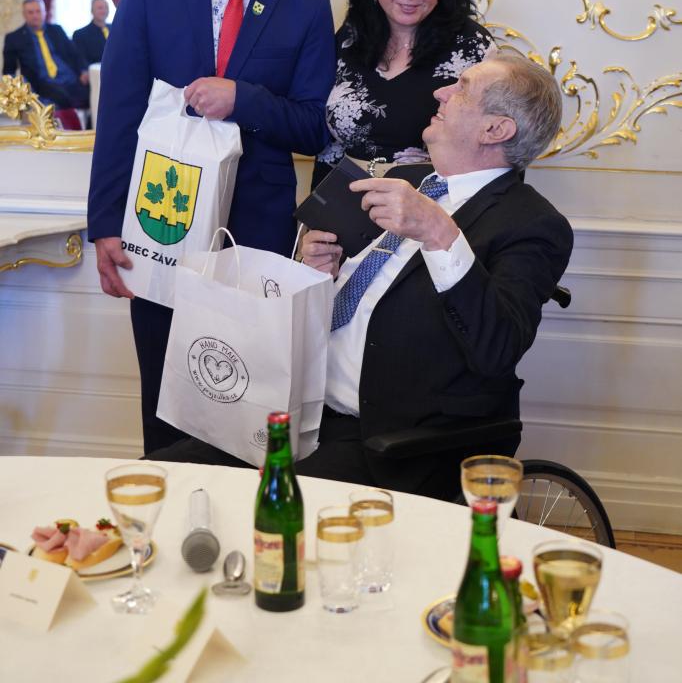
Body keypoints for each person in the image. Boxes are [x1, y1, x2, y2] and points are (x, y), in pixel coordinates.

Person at [151, 54, 573, 502]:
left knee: (250, 507)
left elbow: (497, 347)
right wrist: (319, 275)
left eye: (463, 88)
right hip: (293, 411)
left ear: (496, 129)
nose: (440, 92)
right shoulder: (409, 179)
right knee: (158, 480)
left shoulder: (531, 223)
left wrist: (438, 233)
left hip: (389, 441)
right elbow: (366, 298)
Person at [88, 0, 336, 453]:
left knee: (243, 413)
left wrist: (243, 99)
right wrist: (105, 225)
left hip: (255, 239)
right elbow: (118, 113)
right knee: (164, 407)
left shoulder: (308, 2)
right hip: (158, 224)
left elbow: (314, 127)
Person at [312, 0, 493, 187]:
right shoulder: (350, 36)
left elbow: (497, 151)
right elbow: (323, 137)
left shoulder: (474, 48)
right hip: (340, 199)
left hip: (430, 204)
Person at [2, 0, 89, 109]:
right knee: (62, 97)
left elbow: (75, 54)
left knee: (95, 92)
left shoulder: (57, 30)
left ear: (44, 12)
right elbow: (9, 72)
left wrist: (83, 71)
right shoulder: (14, 38)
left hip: (69, 78)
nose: (35, 16)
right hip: (42, 83)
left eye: (38, 11)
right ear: (24, 14)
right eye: (30, 12)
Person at [72, 0, 111, 66]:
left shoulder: (115, 29)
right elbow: (81, 61)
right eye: (100, 8)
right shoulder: (80, 34)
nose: (104, 11)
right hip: (96, 70)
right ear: (92, 11)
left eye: (106, 7)